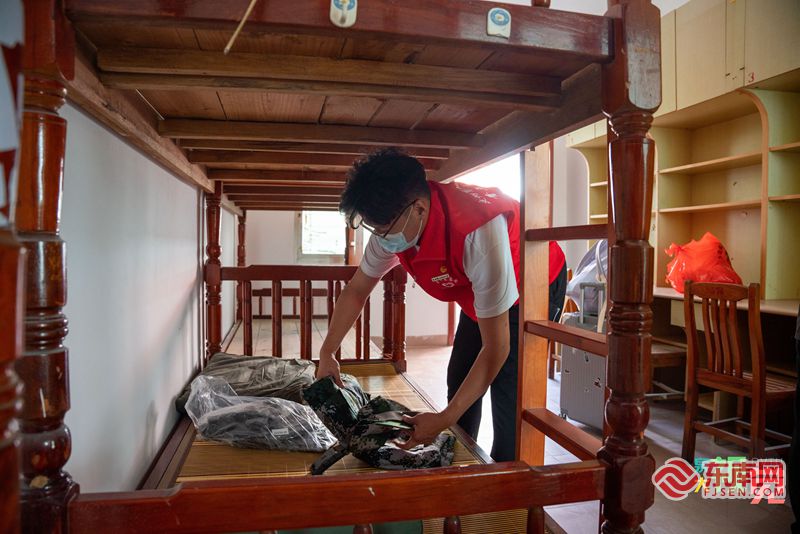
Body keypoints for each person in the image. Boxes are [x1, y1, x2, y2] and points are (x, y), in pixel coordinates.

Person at [316, 148, 566, 461]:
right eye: (374, 229)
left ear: (419, 209)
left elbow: (496, 348)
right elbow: (356, 291)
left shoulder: (477, 232)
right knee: (459, 378)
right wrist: (327, 352)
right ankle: (458, 460)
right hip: (479, 292)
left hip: (531, 284)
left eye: (383, 229)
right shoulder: (394, 226)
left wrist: (444, 418)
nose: (380, 237)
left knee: (509, 396)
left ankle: (506, 478)